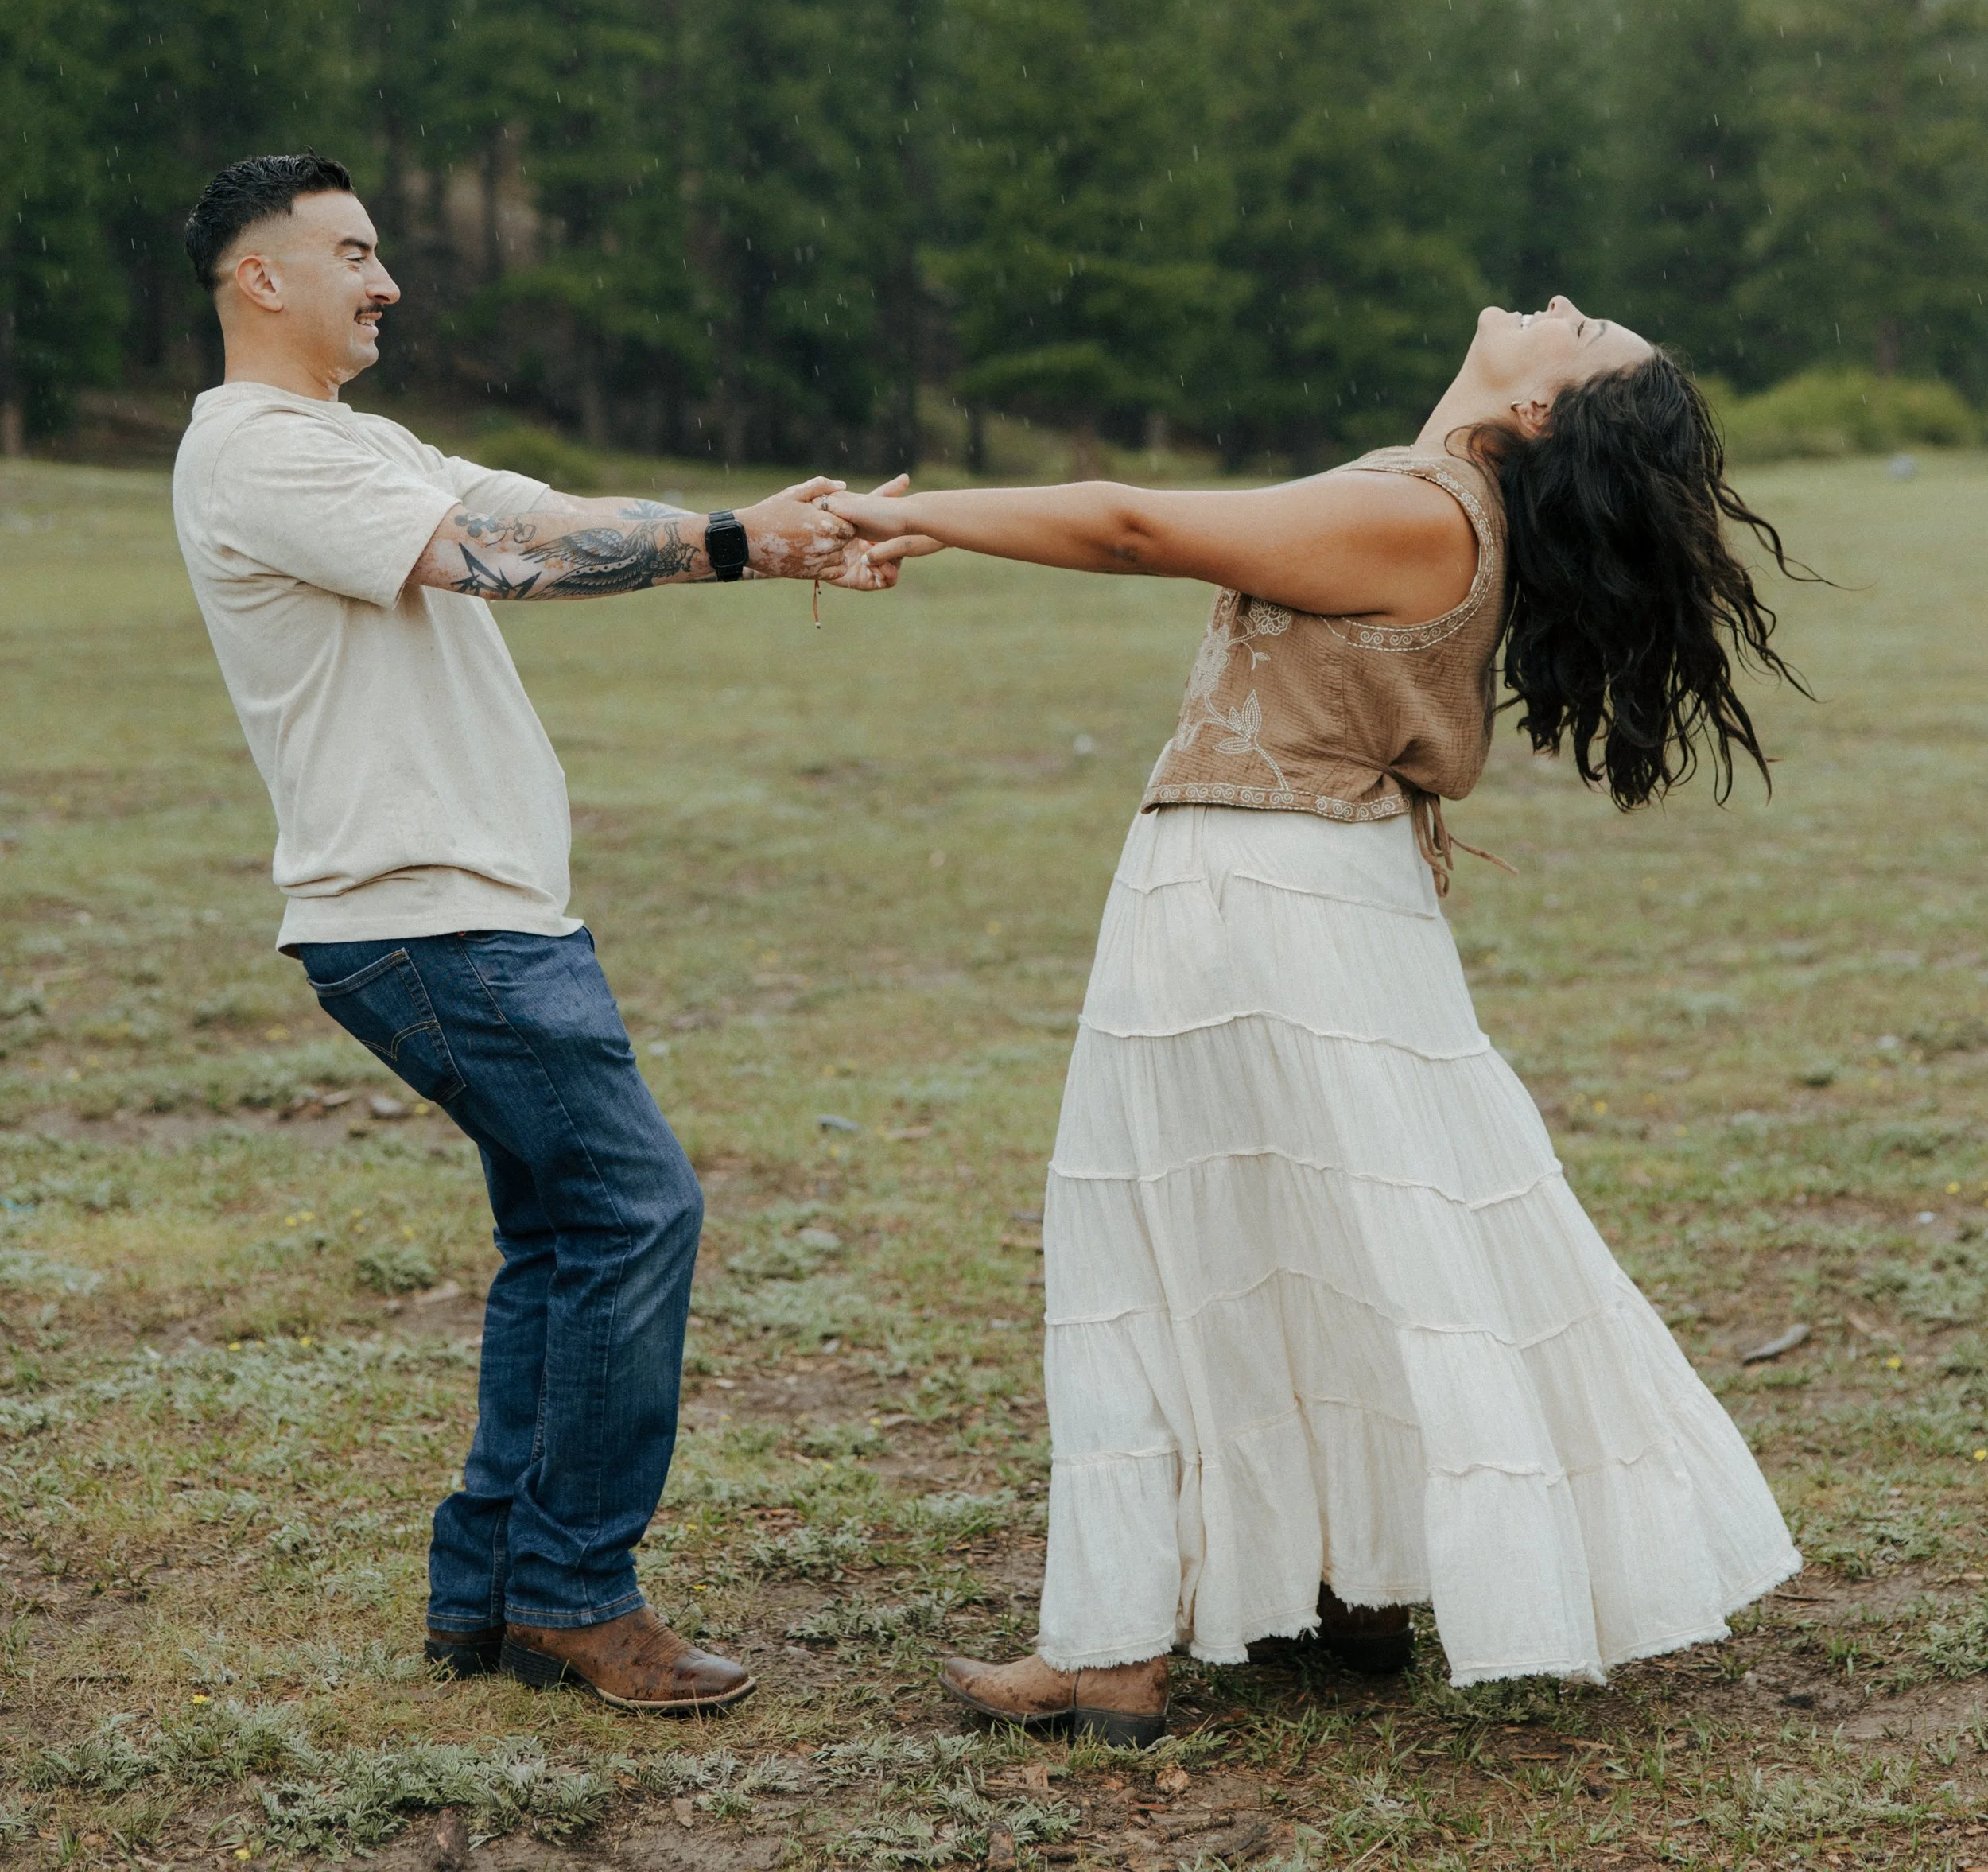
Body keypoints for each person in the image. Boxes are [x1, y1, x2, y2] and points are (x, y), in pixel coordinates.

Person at [829, 298, 1804, 1744]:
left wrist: (904, 516)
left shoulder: (1422, 510)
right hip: (1306, 892)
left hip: (1255, 888)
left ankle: (1113, 1653)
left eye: (1582, 332)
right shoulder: (1427, 497)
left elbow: (1132, 530)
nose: (1558, 306)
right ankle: (1349, 1584)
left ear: (1538, 414)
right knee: (1317, 1234)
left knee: (1165, 1239)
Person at [172, 152, 910, 1715]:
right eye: (353, 254)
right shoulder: (256, 453)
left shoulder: (346, 441)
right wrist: (735, 544)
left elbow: (535, 509)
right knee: (638, 1214)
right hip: (431, 917)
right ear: (261, 280)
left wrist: (760, 530)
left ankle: (494, 1593)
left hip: (475, 912)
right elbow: (493, 561)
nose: (384, 281)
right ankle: (576, 1592)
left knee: (564, 1237)